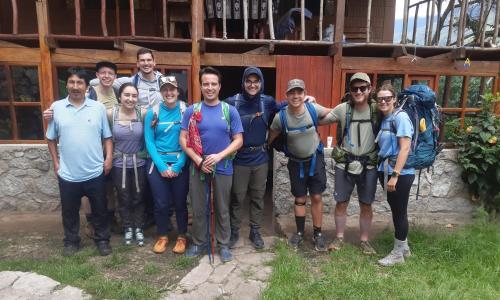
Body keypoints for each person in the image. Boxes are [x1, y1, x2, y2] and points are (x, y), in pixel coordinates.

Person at [44, 61, 121, 238]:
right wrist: (56, 163)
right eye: (72, 82)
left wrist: (108, 158)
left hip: (95, 170)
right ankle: (71, 241)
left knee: (100, 209)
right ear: (67, 85)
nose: (75, 86)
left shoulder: (98, 108)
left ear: (87, 86)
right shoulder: (57, 108)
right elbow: (50, 138)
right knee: (69, 212)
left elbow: (107, 136)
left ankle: (102, 240)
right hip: (68, 173)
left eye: (80, 83)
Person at [180, 67, 243, 262]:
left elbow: (238, 140)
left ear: (219, 86)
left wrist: (219, 156)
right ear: (200, 86)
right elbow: (183, 139)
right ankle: (200, 242)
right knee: (199, 207)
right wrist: (198, 160)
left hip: (223, 166)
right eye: (205, 84)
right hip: (198, 166)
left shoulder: (229, 110)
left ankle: (223, 244)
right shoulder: (192, 111)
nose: (209, 87)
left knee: (222, 207)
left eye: (213, 84)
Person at [267, 79, 331, 252]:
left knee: (317, 197)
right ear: (287, 95)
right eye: (292, 93)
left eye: (299, 92)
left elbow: (331, 114)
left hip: (315, 159)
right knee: (300, 198)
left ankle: (318, 234)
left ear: (304, 94)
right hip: (295, 163)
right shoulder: (280, 117)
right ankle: (300, 232)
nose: (296, 96)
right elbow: (271, 137)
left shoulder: (313, 108)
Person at [319, 72, 379, 255]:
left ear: (370, 89)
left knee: (366, 204)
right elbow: (321, 118)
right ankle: (338, 238)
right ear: (350, 90)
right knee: (341, 203)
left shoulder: (378, 109)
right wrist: (308, 102)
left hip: (369, 164)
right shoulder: (343, 109)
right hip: (345, 164)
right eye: (355, 88)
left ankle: (365, 241)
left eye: (363, 88)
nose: (359, 91)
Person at [225, 67, 277, 249]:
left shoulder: (267, 102)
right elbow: (214, 109)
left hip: (260, 158)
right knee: (237, 197)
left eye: (256, 81)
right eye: (249, 81)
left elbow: (288, 105)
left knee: (258, 197)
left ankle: (255, 231)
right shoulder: (233, 102)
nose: (252, 85)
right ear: (243, 83)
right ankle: (234, 231)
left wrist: (307, 99)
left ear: (261, 83)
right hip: (239, 159)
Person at [145, 75, 189, 255]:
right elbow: (149, 141)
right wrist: (162, 167)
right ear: (161, 92)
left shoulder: (186, 111)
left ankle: (182, 236)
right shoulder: (152, 112)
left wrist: (178, 166)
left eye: (172, 89)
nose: (169, 92)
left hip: (180, 160)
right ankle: (162, 235)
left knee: (180, 202)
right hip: (158, 162)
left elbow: (189, 141)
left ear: (178, 91)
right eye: (165, 89)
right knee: (161, 203)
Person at [374, 84, 414, 266]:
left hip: (399, 174)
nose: (383, 101)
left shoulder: (401, 117)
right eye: (380, 98)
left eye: (387, 98)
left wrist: (395, 175)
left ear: (394, 99)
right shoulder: (386, 118)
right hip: (388, 171)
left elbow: (405, 147)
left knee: (399, 212)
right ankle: (404, 248)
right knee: (398, 210)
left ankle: (398, 254)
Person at [108, 83, 148, 247]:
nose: (130, 99)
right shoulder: (111, 114)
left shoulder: (143, 113)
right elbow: (106, 137)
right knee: (123, 197)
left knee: (139, 196)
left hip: (139, 162)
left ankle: (138, 227)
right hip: (119, 163)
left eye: (133, 95)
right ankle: (127, 227)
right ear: (120, 97)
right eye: (127, 95)